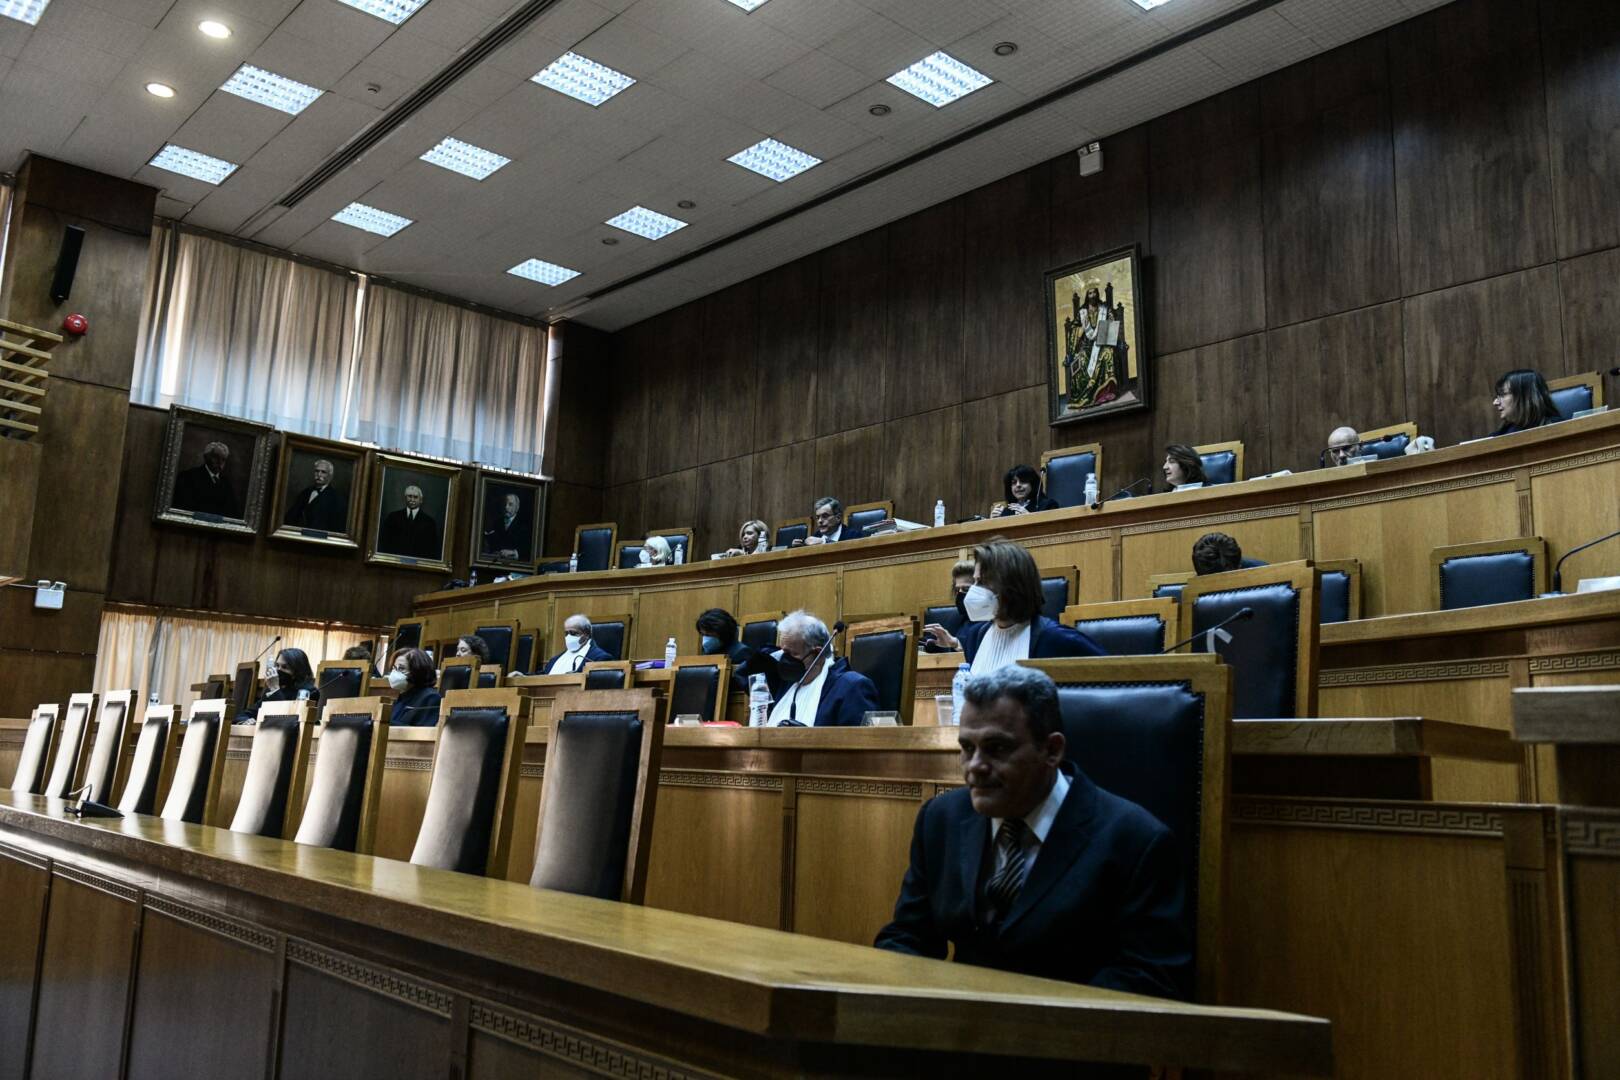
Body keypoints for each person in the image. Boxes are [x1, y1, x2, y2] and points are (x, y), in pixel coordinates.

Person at [873, 665, 1191, 998]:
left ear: (1052, 750)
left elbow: (1150, 978)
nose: (975, 766)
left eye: (997, 748)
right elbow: (908, 936)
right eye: (967, 748)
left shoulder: (1135, 842)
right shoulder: (942, 820)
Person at [923, 539, 1105, 672]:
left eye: (982, 582)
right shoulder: (976, 636)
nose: (973, 592)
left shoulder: (1056, 638)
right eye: (975, 581)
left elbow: (1113, 685)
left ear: (1011, 585)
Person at [767, 610, 879, 727]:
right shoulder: (788, 684)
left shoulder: (852, 687)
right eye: (783, 652)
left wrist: (806, 736)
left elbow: (861, 737)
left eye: (792, 654)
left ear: (817, 653)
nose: (785, 659)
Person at [236, 647, 317, 724]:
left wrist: (275, 689)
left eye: (284, 667)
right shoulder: (272, 690)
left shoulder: (309, 692)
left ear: (297, 672)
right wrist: (246, 720)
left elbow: (289, 720)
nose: (278, 670)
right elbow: (243, 715)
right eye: (277, 665)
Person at [172, 440, 242, 518]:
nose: (220, 462)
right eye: (216, 457)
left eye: (223, 459)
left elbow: (234, 513)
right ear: (206, 457)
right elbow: (182, 510)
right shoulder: (188, 477)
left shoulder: (226, 483)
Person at [696, 608, 760, 691]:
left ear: (723, 632)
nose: (705, 639)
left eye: (708, 635)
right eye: (703, 634)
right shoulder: (709, 652)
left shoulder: (742, 652)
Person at [922, 559, 977, 653]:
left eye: (966, 589)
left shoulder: (992, 622)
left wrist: (956, 643)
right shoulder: (955, 619)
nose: (960, 594)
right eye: (957, 590)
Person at [377, 485, 441, 559]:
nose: (412, 500)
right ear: (405, 498)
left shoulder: (429, 522)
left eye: (415, 497)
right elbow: (384, 542)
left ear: (421, 500)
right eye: (409, 496)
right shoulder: (393, 517)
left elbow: (432, 549)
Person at [283, 458, 347, 531]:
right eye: (317, 471)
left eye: (323, 472)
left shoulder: (336, 498)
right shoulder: (305, 492)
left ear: (330, 476)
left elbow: (337, 527)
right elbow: (291, 516)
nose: (319, 475)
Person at [1491, 369, 1561, 436]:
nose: (1495, 402)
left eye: (1503, 394)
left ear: (1525, 397)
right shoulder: (1498, 436)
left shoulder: (1558, 428)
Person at [386, 647, 442, 727]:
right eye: (394, 668)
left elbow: (422, 732)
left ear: (418, 671)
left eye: (401, 668)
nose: (395, 673)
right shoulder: (402, 697)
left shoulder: (431, 698)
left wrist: (385, 724)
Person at [545, 613, 612, 674]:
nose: (569, 637)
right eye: (566, 633)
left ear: (586, 635)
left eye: (573, 633)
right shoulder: (553, 661)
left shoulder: (599, 659)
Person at [793, 497, 864, 546]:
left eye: (825, 516)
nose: (820, 521)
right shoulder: (816, 536)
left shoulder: (853, 536)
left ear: (838, 517)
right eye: (818, 517)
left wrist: (824, 542)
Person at [993, 465, 1059, 517]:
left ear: (1033, 484)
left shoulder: (1048, 506)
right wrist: (992, 522)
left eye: (1023, 481)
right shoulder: (1006, 512)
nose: (1018, 485)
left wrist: (1029, 518)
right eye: (1014, 482)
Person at [482, 491, 531, 562]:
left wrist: (514, 552)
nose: (506, 507)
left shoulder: (524, 525)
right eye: (504, 504)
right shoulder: (497, 522)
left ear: (517, 507)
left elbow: (527, 549)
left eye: (510, 504)